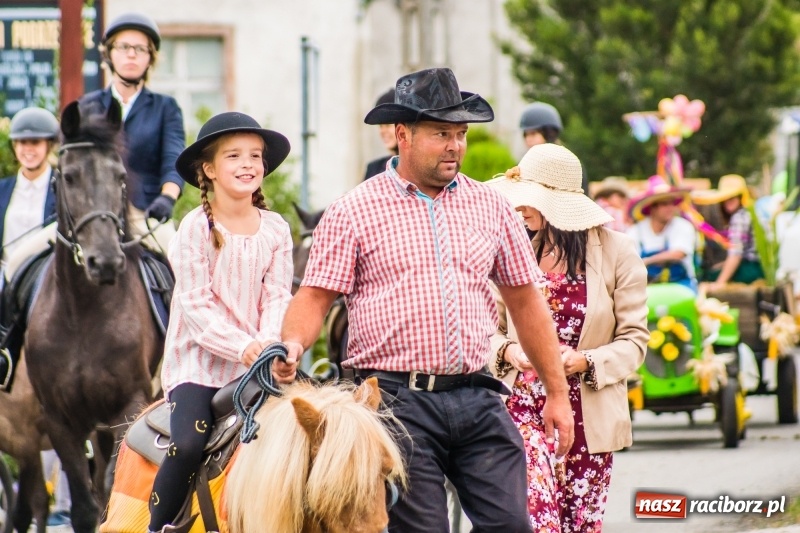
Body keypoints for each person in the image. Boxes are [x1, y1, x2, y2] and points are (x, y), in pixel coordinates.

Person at [276, 67, 574, 533]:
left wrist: (557, 393)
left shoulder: (492, 206)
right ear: (402, 135)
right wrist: (292, 344)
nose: (455, 145)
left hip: (479, 397)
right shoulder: (353, 210)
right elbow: (315, 297)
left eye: (461, 133)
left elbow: (526, 301)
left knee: (512, 525)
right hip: (395, 405)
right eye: (441, 133)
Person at [486, 144, 648, 531]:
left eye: (529, 199)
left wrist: (586, 361)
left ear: (555, 203)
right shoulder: (513, 251)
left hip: (588, 414)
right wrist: (510, 352)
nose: (520, 208)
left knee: (579, 525)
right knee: (536, 520)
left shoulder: (617, 252)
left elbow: (634, 340)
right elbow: (487, 330)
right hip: (521, 408)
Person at [146, 112, 292, 533]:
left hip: (257, 363)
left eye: (255, 156)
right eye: (234, 156)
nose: (248, 164)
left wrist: (267, 346)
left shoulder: (277, 230)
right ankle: (158, 526)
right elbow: (195, 307)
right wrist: (243, 347)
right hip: (200, 365)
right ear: (208, 170)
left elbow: (278, 296)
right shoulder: (193, 229)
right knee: (189, 443)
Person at [81, 12, 185, 254]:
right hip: (91, 213)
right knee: (21, 260)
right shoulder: (87, 106)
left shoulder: (165, 108)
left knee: (180, 264)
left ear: (150, 58)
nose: (131, 54)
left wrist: (167, 198)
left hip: (143, 213)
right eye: (124, 46)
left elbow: (174, 160)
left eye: (140, 49)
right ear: (108, 53)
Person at [0, 107, 59, 391]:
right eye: (22, 143)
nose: (28, 149)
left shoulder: (61, 187)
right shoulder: (4, 188)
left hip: (44, 274)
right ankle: (4, 359)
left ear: (48, 145)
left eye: (35, 142)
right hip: (5, 270)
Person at [627, 175, 698, 291]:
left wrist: (648, 261)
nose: (670, 208)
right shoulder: (635, 231)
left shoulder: (683, 226)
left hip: (682, 288)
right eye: (664, 204)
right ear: (652, 208)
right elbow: (628, 261)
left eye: (672, 203)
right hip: (646, 289)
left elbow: (679, 253)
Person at [691, 174, 763, 288]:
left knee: (709, 275)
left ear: (740, 197)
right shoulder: (751, 212)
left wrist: (719, 284)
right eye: (726, 198)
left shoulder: (739, 217)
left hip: (751, 269)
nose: (728, 201)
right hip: (758, 267)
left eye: (732, 197)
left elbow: (736, 254)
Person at [519, 101, 589, 196]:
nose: (528, 139)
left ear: (549, 134)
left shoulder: (569, 164)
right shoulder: (524, 164)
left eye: (533, 133)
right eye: (526, 134)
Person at [363, 87, 398, 180]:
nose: (382, 131)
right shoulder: (373, 168)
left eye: (387, 125)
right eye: (380, 126)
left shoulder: (416, 168)